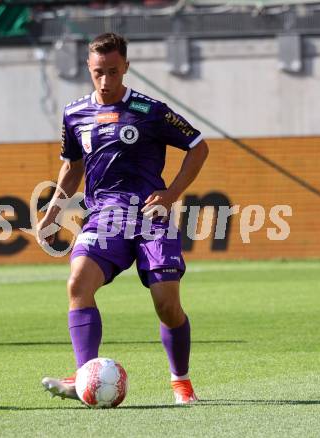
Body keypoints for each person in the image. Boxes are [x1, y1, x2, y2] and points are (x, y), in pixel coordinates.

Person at [38, 33, 209, 404]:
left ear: (126, 67)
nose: (105, 81)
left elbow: (198, 146)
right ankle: (84, 378)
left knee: (167, 304)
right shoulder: (74, 113)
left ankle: (181, 381)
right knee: (78, 283)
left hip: (150, 216)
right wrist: (54, 208)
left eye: (113, 72)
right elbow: (72, 165)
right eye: (98, 72)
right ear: (88, 67)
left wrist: (171, 194)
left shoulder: (152, 111)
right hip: (103, 216)